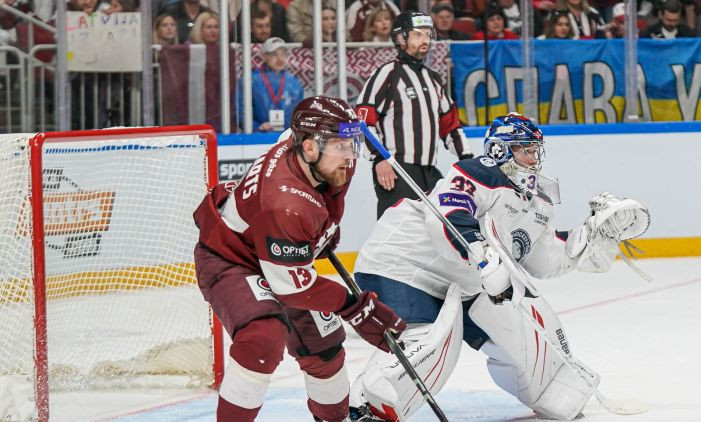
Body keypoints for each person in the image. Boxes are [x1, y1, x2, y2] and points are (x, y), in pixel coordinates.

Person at [347, 113, 651, 421]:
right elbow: (450, 214)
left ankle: (551, 391)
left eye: (535, 150)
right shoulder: (479, 172)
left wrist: (588, 236)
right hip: (404, 263)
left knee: (524, 346)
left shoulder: (537, 202)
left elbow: (544, 260)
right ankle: (366, 404)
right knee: (429, 340)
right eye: (524, 149)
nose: (533, 158)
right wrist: (482, 255)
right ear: (498, 150)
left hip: (464, 280)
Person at [193, 96, 407, 421]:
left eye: (353, 145)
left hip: (279, 252)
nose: (351, 158)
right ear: (309, 148)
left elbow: (325, 195)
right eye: (341, 146)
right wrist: (356, 307)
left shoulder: (317, 154)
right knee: (262, 338)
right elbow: (293, 288)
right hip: (233, 259)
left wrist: (324, 230)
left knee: (325, 346)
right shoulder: (285, 202)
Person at [355, 11, 472, 219]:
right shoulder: (387, 74)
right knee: (397, 231)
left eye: (428, 34)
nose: (425, 40)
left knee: (439, 229)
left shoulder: (433, 79)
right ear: (401, 38)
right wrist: (380, 159)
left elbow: (451, 125)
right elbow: (362, 121)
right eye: (418, 34)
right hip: (397, 168)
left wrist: (468, 161)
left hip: (429, 170)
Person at [239, 37, 304, 132]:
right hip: (259, 139)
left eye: (283, 54)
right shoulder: (251, 80)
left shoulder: (294, 82)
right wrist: (257, 127)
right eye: (275, 54)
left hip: (288, 137)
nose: (280, 58)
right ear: (265, 56)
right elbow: (240, 112)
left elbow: (300, 113)